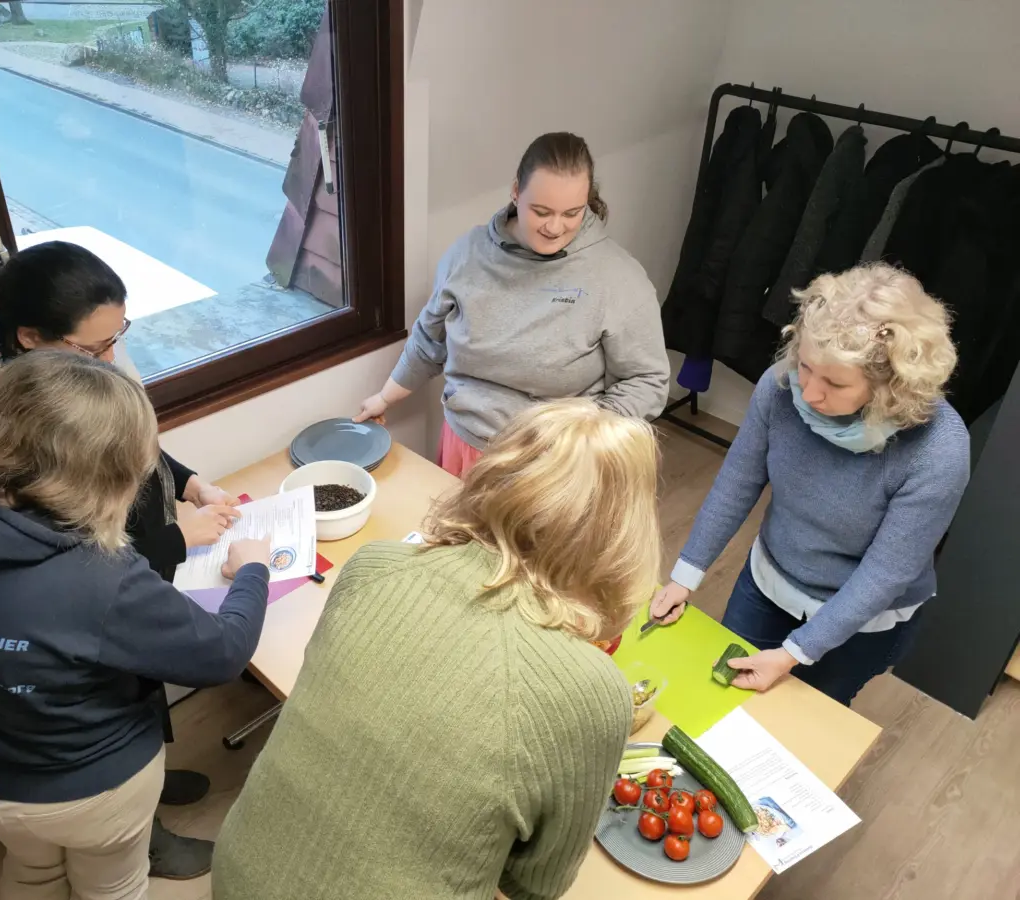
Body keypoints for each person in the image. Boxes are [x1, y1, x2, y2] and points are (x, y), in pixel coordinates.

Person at [0, 352, 272, 900]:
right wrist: (254, 570)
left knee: (33, 867)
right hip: (92, 789)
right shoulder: (96, 575)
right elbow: (224, 652)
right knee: (113, 885)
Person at [212, 399, 662, 900]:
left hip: (238, 873)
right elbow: (535, 884)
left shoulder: (373, 564)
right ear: (622, 536)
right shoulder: (594, 689)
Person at [0, 240, 235, 878]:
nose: (115, 359)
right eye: (98, 349)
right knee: (111, 689)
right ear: (31, 338)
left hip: (114, 557)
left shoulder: (68, 339)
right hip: (77, 600)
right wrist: (176, 540)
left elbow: (115, 436)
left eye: (120, 337)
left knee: (139, 682)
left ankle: (151, 778)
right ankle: (145, 830)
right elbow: (57, 563)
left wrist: (186, 481)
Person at [650, 265, 970, 706]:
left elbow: (885, 573)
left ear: (891, 386)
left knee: (800, 725)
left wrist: (794, 653)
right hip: (768, 578)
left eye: (835, 383)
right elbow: (737, 481)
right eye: (805, 365)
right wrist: (686, 575)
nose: (810, 391)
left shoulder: (938, 449)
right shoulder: (782, 387)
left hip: (860, 620)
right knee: (723, 702)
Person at [355, 131, 670, 477]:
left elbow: (648, 379)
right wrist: (383, 399)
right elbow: (429, 342)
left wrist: (583, 442)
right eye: (541, 211)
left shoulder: (618, 277)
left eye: (572, 213)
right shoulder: (467, 255)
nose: (554, 227)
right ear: (516, 191)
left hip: (553, 467)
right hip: (464, 445)